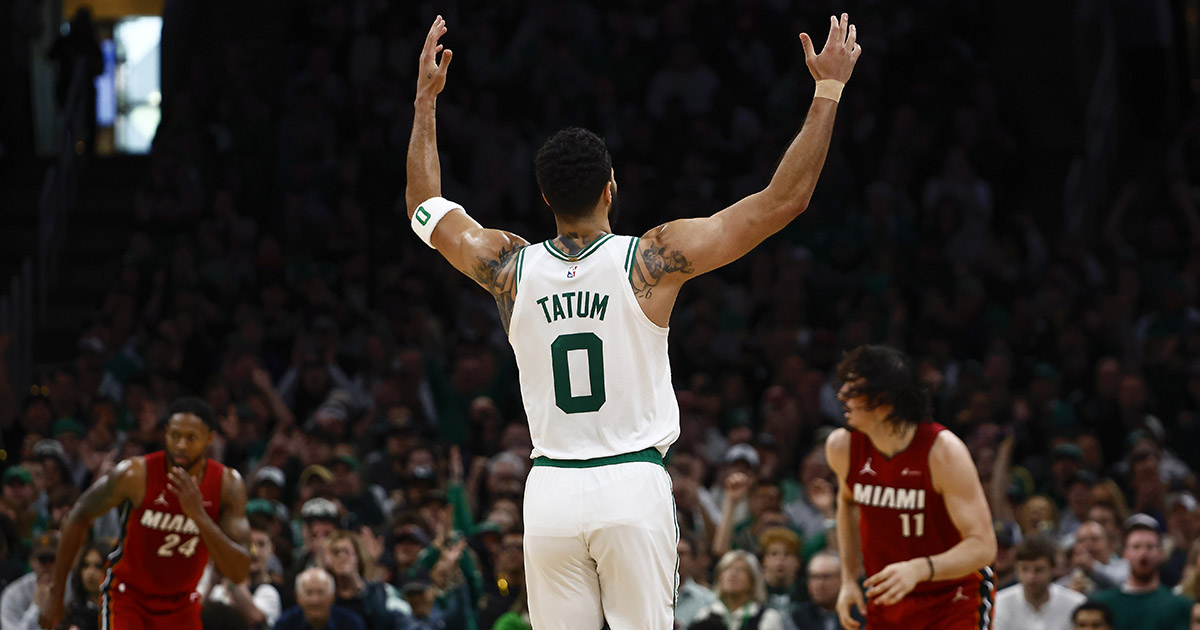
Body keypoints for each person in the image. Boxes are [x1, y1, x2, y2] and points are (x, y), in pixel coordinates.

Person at [403, 12, 861, 629]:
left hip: (549, 493)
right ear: (611, 188)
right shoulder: (650, 259)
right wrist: (827, 91)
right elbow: (784, 201)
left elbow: (423, 207)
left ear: (544, 197)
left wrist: (425, 100)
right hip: (629, 483)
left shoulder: (507, 265)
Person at [39, 397, 251, 630]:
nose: (181, 445)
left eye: (191, 438)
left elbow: (239, 571)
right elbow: (77, 516)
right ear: (165, 433)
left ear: (209, 438)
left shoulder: (227, 485)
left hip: (182, 602)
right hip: (128, 596)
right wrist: (56, 592)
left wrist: (199, 516)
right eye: (175, 435)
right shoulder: (135, 474)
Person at [826, 345, 998, 630]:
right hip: (889, 593)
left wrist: (920, 568)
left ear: (884, 400)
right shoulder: (841, 446)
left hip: (953, 596)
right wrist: (848, 578)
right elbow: (847, 502)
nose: (841, 395)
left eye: (853, 389)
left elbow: (983, 547)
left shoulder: (943, 452)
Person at [1090, 515, 1191, 630]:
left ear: (1161, 553)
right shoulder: (1102, 604)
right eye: (1136, 547)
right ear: (1124, 553)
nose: (1143, 553)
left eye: (1150, 547)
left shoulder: (1179, 605)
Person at [993, 537, 1086, 630]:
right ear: (1016, 569)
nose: (1031, 577)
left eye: (1039, 570)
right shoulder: (999, 603)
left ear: (1053, 569)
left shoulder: (1076, 604)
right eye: (1024, 569)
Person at [693, 550, 789, 630]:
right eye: (727, 569)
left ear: (752, 580)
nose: (732, 574)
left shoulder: (768, 618)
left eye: (740, 570)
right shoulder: (705, 615)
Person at [1, 531, 67, 630]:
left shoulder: (72, 586)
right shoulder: (13, 593)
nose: (48, 566)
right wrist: (36, 606)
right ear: (32, 561)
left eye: (52, 559)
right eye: (43, 560)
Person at [276, 567, 366, 630]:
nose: (315, 600)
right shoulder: (285, 624)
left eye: (321, 592)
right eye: (309, 593)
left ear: (333, 596)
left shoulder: (351, 624)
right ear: (297, 597)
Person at [62, 540, 112, 630]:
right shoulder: (71, 613)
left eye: (98, 566)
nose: (90, 572)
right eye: (86, 565)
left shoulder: (117, 611)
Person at [791, 551, 841, 630]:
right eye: (814, 577)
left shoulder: (861, 615)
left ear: (841, 578)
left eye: (826, 577)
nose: (819, 584)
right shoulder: (798, 617)